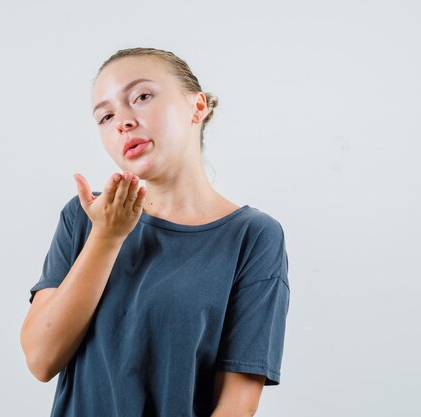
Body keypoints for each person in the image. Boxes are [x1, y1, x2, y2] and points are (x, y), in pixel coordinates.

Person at [20, 47, 291, 417]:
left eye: (142, 97)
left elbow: (237, 404)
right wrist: (107, 236)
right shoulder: (84, 217)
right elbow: (41, 359)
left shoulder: (252, 236)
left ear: (197, 107)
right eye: (106, 116)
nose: (123, 122)